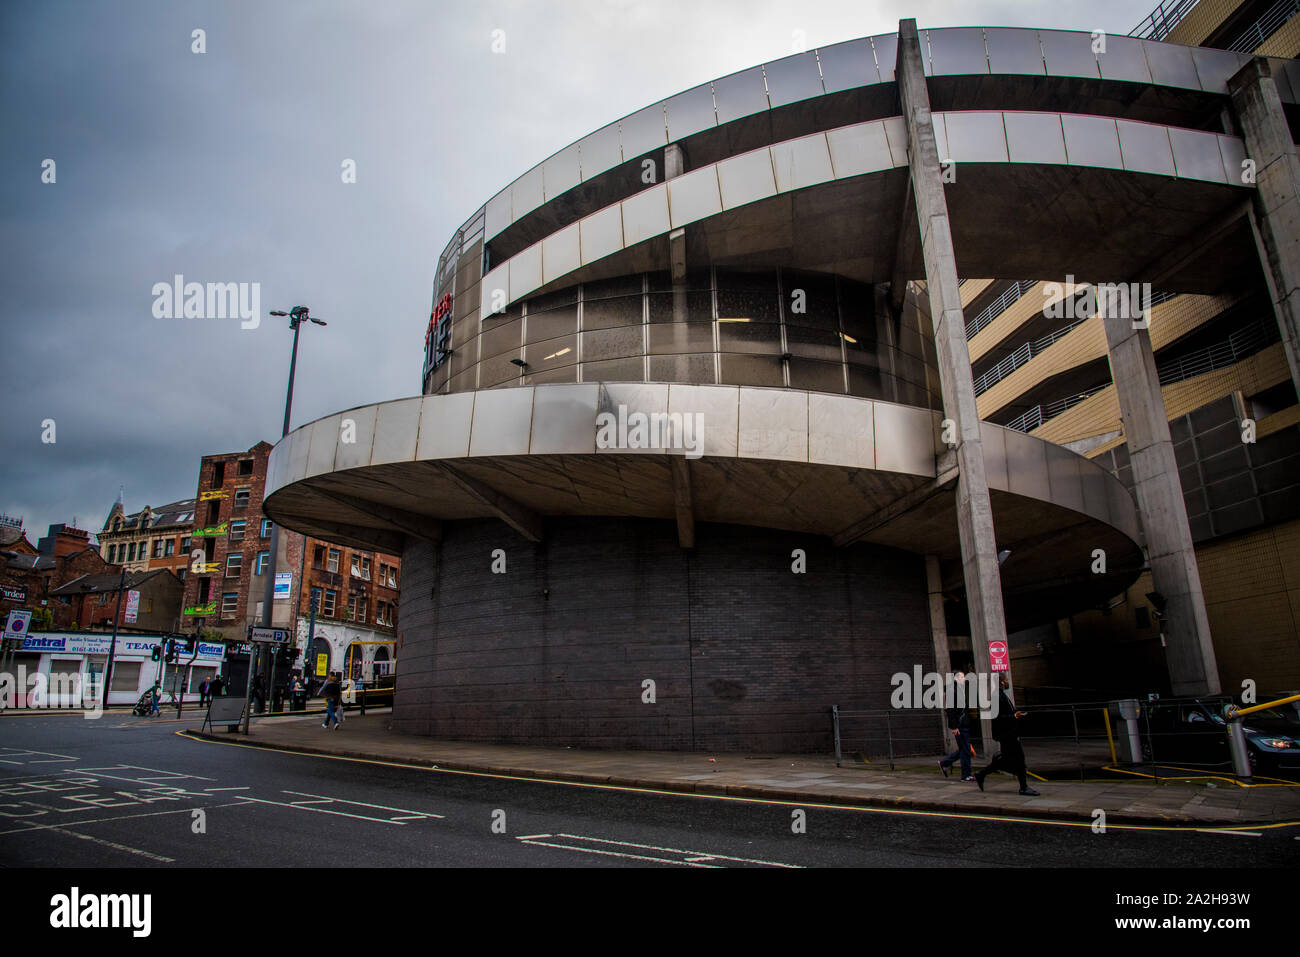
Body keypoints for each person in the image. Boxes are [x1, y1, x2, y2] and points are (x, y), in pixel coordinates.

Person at [974, 674, 1040, 796]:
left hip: (1009, 733)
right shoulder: (996, 696)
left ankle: (981, 774)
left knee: (1006, 760)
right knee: (1019, 759)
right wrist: (1014, 716)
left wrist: (1016, 713)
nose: (1008, 682)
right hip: (1006, 734)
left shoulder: (1001, 694)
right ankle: (1023, 788)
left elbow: (1005, 712)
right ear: (1001, 682)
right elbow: (997, 717)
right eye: (1006, 680)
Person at [939, 671, 976, 782]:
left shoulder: (958, 690)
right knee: (965, 750)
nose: (964, 679)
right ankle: (966, 775)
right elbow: (950, 711)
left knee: (964, 749)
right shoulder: (952, 691)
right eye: (962, 677)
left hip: (962, 724)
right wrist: (954, 727)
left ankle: (944, 762)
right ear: (956, 678)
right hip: (960, 726)